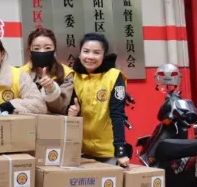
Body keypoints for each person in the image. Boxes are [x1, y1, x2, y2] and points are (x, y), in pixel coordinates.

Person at [67, 33, 130, 166]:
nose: (90, 57)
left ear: (104, 55)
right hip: (80, 150)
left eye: (96, 52)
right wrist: (72, 113)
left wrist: (120, 150)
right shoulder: (73, 77)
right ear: (80, 53)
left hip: (108, 151)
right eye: (86, 51)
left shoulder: (114, 77)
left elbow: (118, 114)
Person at [23, 28, 73, 114]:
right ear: (30, 51)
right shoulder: (21, 73)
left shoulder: (67, 73)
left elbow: (61, 108)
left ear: (54, 50)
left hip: (55, 121)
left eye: (47, 48)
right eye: (36, 48)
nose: (42, 51)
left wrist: (51, 90)